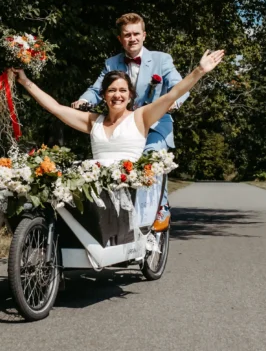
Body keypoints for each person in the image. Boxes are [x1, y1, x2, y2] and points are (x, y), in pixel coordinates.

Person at [11, 47, 225, 187]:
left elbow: (173, 94)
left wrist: (199, 70)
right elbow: (56, 108)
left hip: (129, 186)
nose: (117, 95)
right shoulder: (92, 121)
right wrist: (25, 81)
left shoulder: (141, 117)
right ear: (104, 95)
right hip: (95, 186)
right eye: (112, 90)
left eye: (123, 91)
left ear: (130, 95)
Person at [71, 13, 186, 219]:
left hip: (154, 125)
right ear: (120, 39)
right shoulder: (111, 63)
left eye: (136, 34)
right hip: (123, 127)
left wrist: (174, 102)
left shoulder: (161, 59)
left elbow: (179, 86)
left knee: (152, 159)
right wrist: (83, 101)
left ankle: (160, 208)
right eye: (126, 35)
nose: (132, 39)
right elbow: (97, 89)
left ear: (144, 35)